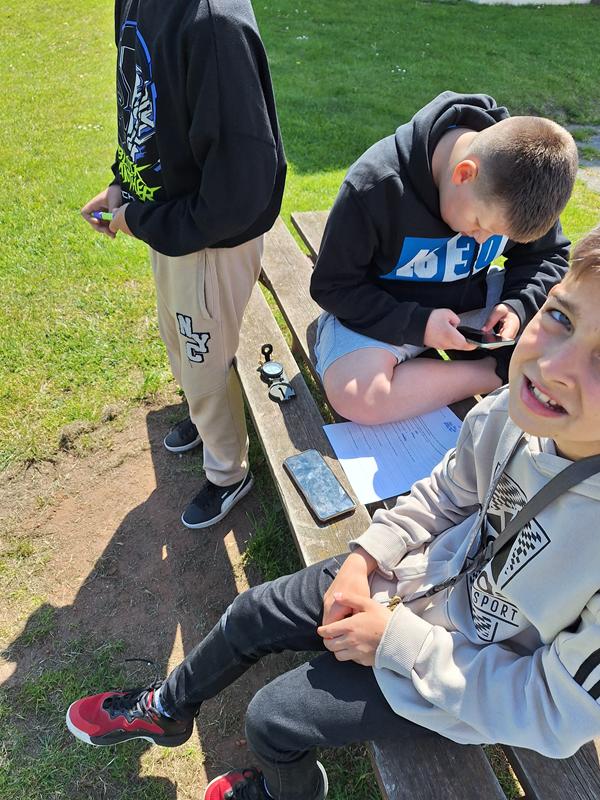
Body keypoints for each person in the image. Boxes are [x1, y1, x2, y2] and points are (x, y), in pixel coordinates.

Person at [66, 226, 600, 799]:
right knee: (250, 612)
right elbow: (447, 491)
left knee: (272, 721)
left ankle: (290, 791)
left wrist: (395, 642)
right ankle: (168, 709)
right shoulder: (511, 410)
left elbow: (553, 708)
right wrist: (366, 556)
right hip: (412, 580)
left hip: (461, 682)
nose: (554, 365)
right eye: (561, 317)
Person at [82, 0, 286, 529]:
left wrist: (142, 219)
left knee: (203, 355)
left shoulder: (215, 25)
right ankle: (203, 414)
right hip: (171, 221)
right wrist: (124, 183)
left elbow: (240, 190)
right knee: (177, 335)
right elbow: (141, 98)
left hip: (211, 236)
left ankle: (228, 472)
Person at [309, 91, 578, 425]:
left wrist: (518, 305)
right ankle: (498, 371)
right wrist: (419, 325)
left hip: (477, 309)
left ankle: (490, 365)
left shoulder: (522, 183)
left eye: (498, 234)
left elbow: (548, 255)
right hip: (385, 313)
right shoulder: (376, 186)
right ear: (464, 173)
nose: (483, 239)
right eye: (480, 224)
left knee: (572, 319)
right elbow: (333, 286)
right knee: (358, 394)